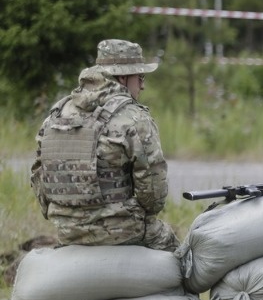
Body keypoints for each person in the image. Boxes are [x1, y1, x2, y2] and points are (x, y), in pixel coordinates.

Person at [30, 39, 180, 251]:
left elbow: (39, 175)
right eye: (140, 77)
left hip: (66, 231)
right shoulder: (134, 118)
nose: (143, 85)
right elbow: (154, 196)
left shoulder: (56, 115)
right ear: (123, 77)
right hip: (123, 230)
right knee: (179, 257)